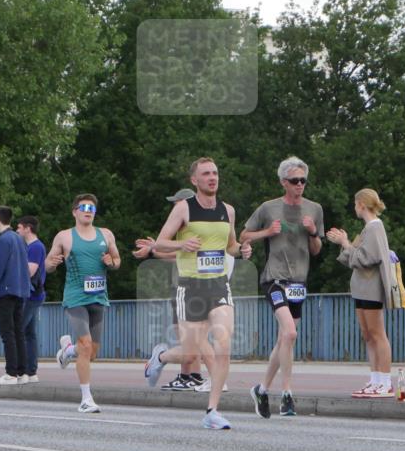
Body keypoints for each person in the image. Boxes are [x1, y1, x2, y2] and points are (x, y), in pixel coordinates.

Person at [143, 157, 252, 430]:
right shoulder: (184, 208)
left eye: (215, 173)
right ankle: (160, 357)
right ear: (195, 180)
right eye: (206, 174)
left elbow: (230, 245)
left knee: (223, 343)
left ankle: (212, 411)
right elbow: (160, 243)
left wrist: (242, 249)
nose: (212, 177)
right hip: (190, 288)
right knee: (190, 353)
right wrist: (182, 245)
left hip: (219, 286)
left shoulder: (228, 210)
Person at [240, 156, 324, 417]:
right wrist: (266, 233)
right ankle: (287, 394)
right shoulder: (268, 208)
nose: (300, 185)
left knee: (284, 338)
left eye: (303, 180)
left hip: (299, 281)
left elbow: (317, 249)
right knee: (290, 333)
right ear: (283, 182)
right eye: (294, 181)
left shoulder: (314, 209)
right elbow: (243, 236)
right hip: (274, 279)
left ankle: (261, 389)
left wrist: (313, 232)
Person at [132, 188, 214, 393]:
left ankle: (173, 366)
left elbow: (176, 254)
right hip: (186, 288)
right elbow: (173, 254)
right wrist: (155, 249)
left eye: (177, 203)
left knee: (195, 340)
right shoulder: (184, 229)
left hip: (198, 288)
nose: (174, 208)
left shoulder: (195, 228)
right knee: (191, 339)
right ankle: (190, 376)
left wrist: (155, 250)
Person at [47, 194, 122, 413]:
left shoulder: (106, 234)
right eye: (84, 208)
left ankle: (68, 351)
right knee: (86, 345)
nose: (88, 212)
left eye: (92, 208)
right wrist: (52, 263)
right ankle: (86, 399)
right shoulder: (64, 236)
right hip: (75, 298)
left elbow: (117, 261)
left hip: (98, 297)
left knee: (92, 352)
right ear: (75, 212)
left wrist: (111, 262)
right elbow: (47, 264)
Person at [326, 189, 397, 398]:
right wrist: (345, 243)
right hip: (361, 288)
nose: (354, 208)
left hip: (371, 288)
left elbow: (366, 258)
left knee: (377, 334)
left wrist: (345, 243)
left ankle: (385, 382)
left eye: (355, 204)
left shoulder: (375, 227)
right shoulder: (368, 228)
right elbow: (353, 258)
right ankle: (375, 379)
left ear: (362, 204)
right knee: (368, 335)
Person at [0, 206, 31, 385]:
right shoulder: (19, 238)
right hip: (20, 291)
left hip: (5, 292)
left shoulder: (3, 239)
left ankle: (10, 373)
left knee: (7, 334)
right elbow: (18, 264)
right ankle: (23, 372)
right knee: (19, 333)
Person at [16, 216, 47, 383]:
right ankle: (31, 371)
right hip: (33, 295)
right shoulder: (31, 246)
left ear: (28, 228)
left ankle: (21, 371)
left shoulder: (35, 247)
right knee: (29, 333)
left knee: (18, 330)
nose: (17, 231)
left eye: (19, 228)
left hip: (31, 295)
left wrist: (10, 269)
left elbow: (30, 271)